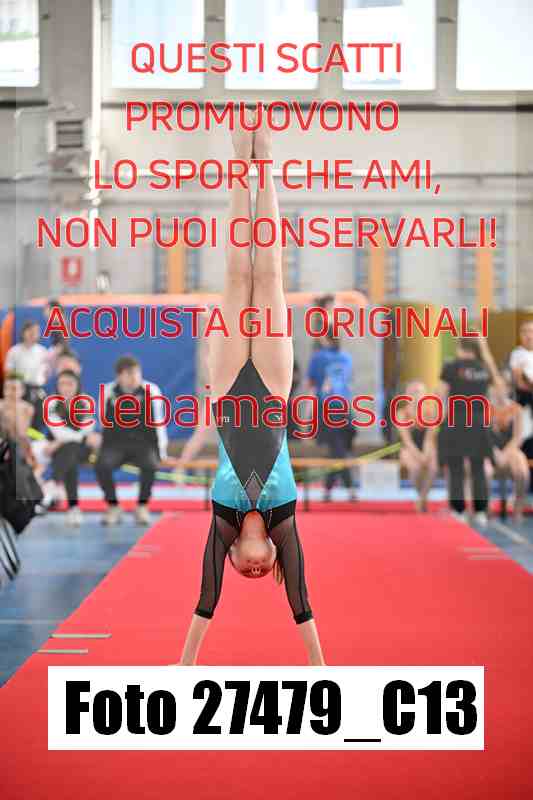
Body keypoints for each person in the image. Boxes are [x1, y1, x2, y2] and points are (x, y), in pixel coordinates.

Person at [179, 113, 324, 667]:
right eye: (264, 571)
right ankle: (268, 164)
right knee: (271, 274)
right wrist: (320, 669)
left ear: (235, 553)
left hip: (226, 389)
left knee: (237, 274)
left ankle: (241, 161)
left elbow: (205, 597)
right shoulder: (284, 517)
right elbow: (301, 602)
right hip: (272, 387)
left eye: (246, 569)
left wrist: (186, 665)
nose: (257, 569)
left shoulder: (223, 516)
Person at [94, 355, 168, 526]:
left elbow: (159, 423)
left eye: (136, 373)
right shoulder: (108, 392)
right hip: (116, 443)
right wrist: (102, 448)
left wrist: (161, 451)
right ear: (119, 376)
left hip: (143, 443)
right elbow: (103, 421)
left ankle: (142, 506)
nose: (134, 377)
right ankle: (113, 506)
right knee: (101, 465)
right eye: (129, 374)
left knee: (150, 465)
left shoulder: (151, 391)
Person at [436, 337, 501, 526]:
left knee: (456, 467)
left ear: (460, 347)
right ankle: (480, 512)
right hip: (479, 421)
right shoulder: (484, 367)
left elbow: (440, 394)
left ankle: (459, 511)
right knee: (478, 467)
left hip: (456, 419)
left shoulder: (451, 367)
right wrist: (486, 353)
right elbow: (498, 386)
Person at [42, 370, 100, 526]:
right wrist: (76, 438)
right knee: (70, 457)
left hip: (82, 450)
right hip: (60, 451)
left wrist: (62, 441)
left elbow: (87, 429)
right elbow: (58, 431)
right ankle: (73, 508)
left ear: (77, 386)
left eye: (70, 384)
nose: (66, 387)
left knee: (71, 450)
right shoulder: (51, 404)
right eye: (62, 384)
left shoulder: (86, 402)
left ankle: (53, 482)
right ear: (57, 386)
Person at [307, 328, 356, 501]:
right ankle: (334, 489)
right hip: (344, 408)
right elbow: (347, 382)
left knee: (337, 451)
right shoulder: (346, 357)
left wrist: (309, 414)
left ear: (324, 338)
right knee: (338, 450)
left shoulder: (318, 358)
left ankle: (347, 488)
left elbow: (312, 386)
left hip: (328, 407)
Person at [485, 376, 529, 523]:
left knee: (522, 471)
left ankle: (517, 508)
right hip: (490, 449)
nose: (498, 391)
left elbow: (517, 437)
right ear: (491, 390)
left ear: (507, 389)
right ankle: (486, 508)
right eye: (495, 388)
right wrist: (493, 451)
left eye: (502, 388)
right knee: (485, 470)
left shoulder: (516, 409)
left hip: (510, 450)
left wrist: (505, 454)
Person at [397, 381, 438, 512]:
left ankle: (422, 499)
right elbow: (407, 440)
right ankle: (422, 497)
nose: (416, 396)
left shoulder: (430, 413)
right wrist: (419, 456)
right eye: (413, 392)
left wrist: (425, 456)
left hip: (427, 447)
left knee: (433, 467)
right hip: (409, 448)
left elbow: (429, 439)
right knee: (415, 468)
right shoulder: (401, 414)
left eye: (419, 392)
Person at [4, 320, 49, 430]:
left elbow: (46, 373)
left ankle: (34, 437)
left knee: (39, 416)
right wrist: (23, 378)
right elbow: (8, 371)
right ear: (23, 332)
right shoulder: (14, 351)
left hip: (37, 390)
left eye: (36, 331)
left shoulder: (43, 351)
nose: (33, 334)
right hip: (19, 390)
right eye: (30, 331)